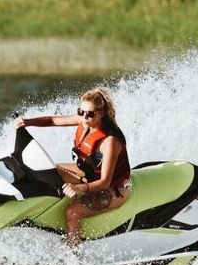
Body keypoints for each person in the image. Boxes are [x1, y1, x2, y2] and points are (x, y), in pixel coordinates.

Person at [14, 88, 131, 247]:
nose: (84, 117)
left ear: (101, 113)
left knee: (72, 212)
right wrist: (28, 122)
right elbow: (52, 121)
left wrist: (78, 188)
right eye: (81, 112)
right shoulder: (84, 120)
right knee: (48, 171)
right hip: (89, 174)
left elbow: (104, 182)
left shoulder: (109, 141)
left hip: (116, 188)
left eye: (90, 114)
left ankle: (74, 257)